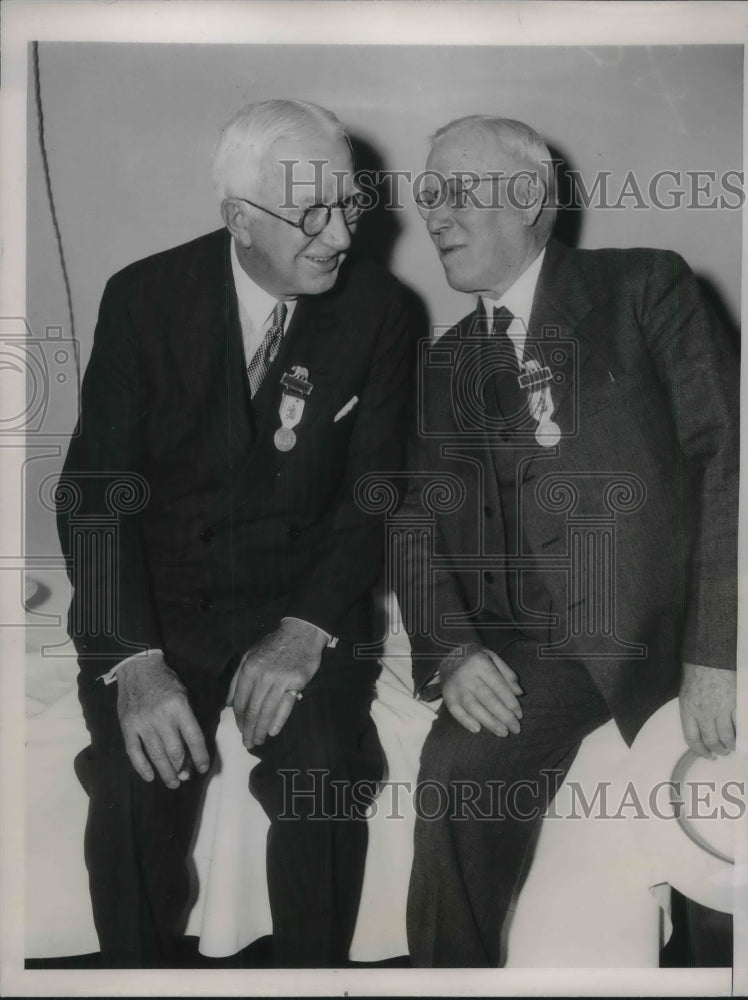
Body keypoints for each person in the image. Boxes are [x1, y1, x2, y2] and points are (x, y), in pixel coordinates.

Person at [56, 99, 415, 968]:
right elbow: (96, 494)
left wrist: (305, 631)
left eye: (352, 206)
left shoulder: (381, 312)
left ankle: (316, 980)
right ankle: (131, 982)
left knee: (325, 774)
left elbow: (375, 497)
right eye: (312, 215)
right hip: (164, 605)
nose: (338, 236)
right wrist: (134, 661)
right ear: (238, 219)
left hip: (303, 605)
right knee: (136, 788)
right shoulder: (145, 297)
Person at [395, 115, 738, 967]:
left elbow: (730, 461)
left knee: (718, 827)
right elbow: (414, 524)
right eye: (426, 192)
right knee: (453, 774)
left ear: (531, 198)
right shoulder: (443, 363)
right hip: (534, 651)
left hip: (664, 636)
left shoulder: (644, 287)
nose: (431, 213)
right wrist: (451, 651)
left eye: (455, 190)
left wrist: (718, 653)